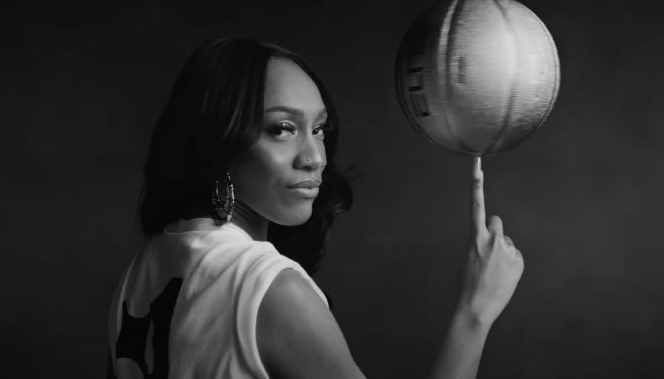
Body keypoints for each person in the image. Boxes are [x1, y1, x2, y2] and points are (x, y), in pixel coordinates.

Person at [106, 37, 524, 379]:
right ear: (221, 143)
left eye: (319, 129)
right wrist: (476, 312)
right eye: (282, 129)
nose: (315, 157)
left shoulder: (144, 270)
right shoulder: (271, 287)